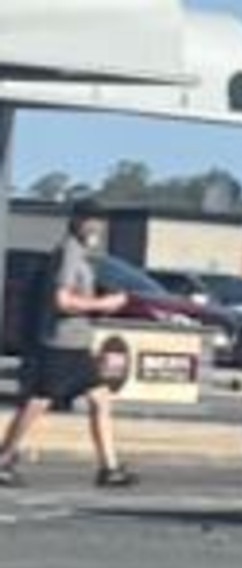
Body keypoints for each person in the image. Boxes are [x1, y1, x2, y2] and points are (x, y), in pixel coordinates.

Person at [0, 199, 138, 489]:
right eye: (91, 220)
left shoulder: (82, 255)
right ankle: (4, 458)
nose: (97, 226)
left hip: (76, 345)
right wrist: (103, 303)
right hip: (60, 344)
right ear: (77, 221)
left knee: (100, 398)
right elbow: (61, 301)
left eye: (100, 221)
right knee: (38, 402)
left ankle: (109, 468)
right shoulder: (68, 254)